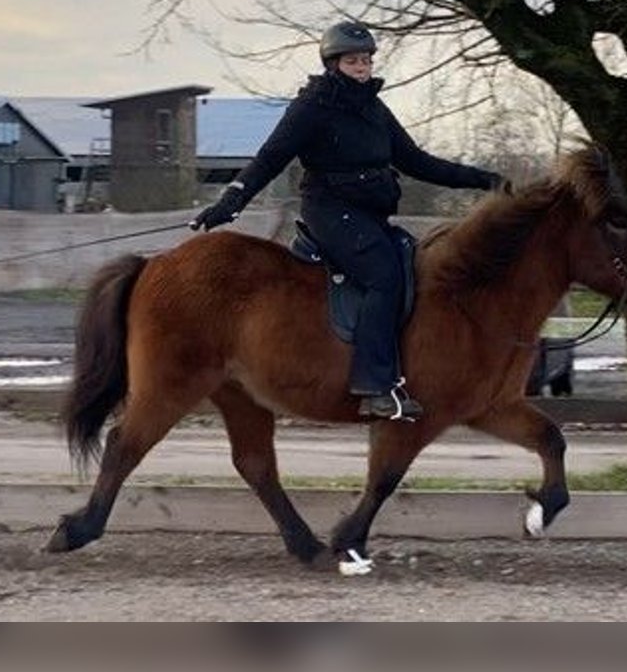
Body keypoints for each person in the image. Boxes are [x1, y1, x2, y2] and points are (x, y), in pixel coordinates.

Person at [191, 21, 507, 420]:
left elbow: (416, 162)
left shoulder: (374, 109)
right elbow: (271, 157)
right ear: (333, 63)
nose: (362, 67)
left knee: (414, 263)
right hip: (329, 210)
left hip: (369, 214)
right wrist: (232, 200)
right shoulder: (312, 106)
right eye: (353, 61)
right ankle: (375, 387)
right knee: (383, 275)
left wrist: (484, 179)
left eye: (366, 60)